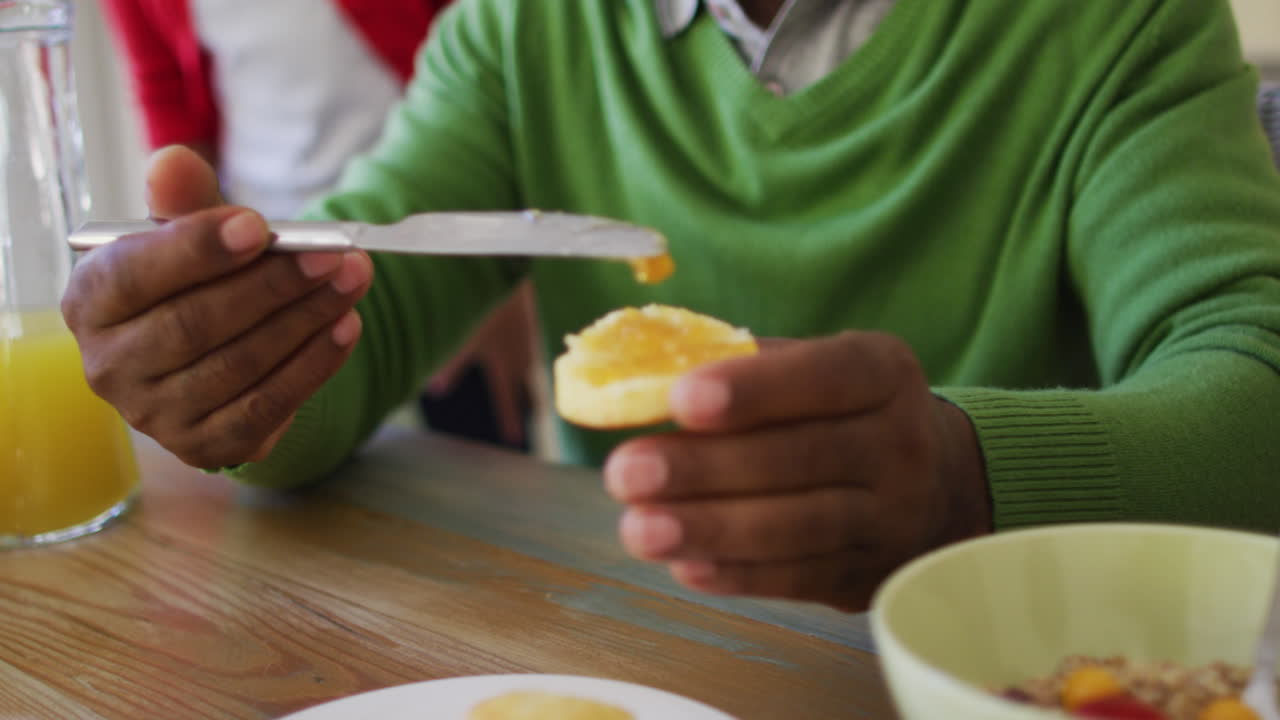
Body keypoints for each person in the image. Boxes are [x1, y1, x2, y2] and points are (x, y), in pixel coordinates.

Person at [63, 0, 1280, 612]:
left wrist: (963, 478)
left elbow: (1251, 383)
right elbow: (360, 318)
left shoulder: (1114, 23)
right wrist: (240, 366)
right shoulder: (523, 27)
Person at [100, 0, 535, 451]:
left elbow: (477, 77)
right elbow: (165, 95)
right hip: (266, 240)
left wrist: (493, 271)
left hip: (425, 231)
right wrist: (196, 276)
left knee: (474, 444)